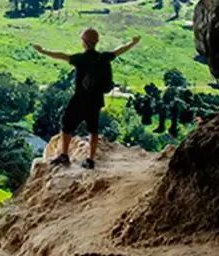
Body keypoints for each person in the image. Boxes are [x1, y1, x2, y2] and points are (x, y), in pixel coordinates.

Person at [32, 29, 140, 169]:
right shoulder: (104, 57)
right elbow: (119, 51)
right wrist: (133, 42)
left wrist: (43, 51)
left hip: (79, 99)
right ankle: (90, 160)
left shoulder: (80, 59)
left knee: (67, 125)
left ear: (84, 42)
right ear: (96, 42)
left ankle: (64, 155)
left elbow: (62, 56)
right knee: (93, 130)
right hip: (96, 100)